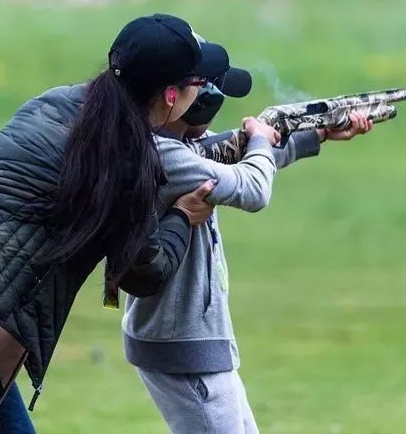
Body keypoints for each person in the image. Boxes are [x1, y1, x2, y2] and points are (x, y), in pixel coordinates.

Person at [0, 13, 255, 433]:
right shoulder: (126, 159)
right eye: (197, 85)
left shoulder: (60, 101)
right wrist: (184, 216)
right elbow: (144, 272)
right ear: (171, 96)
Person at [120, 70, 373, 433]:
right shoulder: (166, 156)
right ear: (172, 98)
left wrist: (317, 133)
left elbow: (240, 158)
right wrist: (258, 140)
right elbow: (253, 187)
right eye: (200, 87)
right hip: (184, 343)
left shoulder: (177, 147)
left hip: (189, 338)